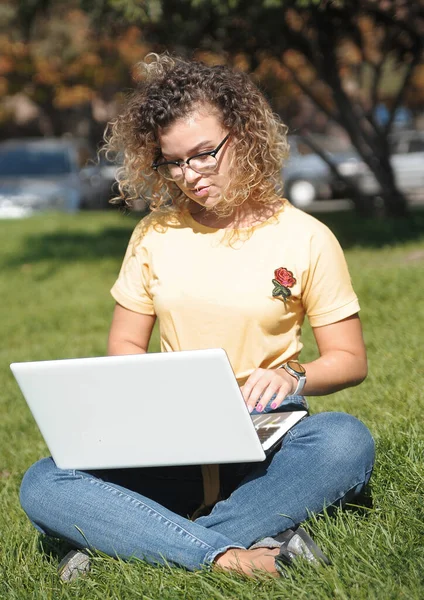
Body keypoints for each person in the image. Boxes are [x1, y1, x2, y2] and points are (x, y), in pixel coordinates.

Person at [20, 53, 375, 579]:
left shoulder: (306, 236)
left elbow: (349, 359)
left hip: (268, 440)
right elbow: (125, 349)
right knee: (43, 481)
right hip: (172, 439)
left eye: (205, 154)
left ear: (243, 133)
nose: (191, 175)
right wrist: (149, 394)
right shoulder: (153, 236)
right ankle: (235, 553)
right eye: (175, 161)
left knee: (346, 441)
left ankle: (137, 540)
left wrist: (292, 374)